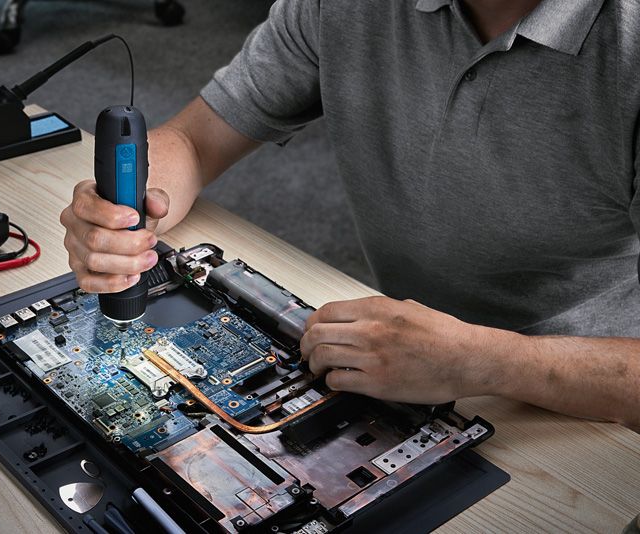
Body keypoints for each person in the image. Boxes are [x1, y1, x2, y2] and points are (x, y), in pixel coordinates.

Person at [60, 0, 640, 432]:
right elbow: (194, 139)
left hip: (578, 402)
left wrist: (484, 361)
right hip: (388, 359)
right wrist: (125, 216)